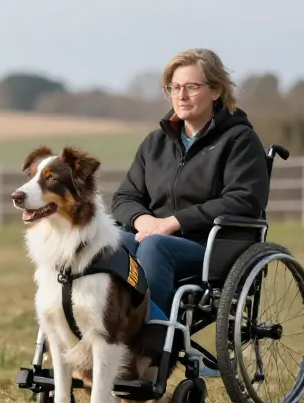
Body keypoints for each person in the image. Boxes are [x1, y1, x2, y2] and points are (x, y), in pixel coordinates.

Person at [111, 48, 270, 316]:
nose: (181, 96)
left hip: (212, 249)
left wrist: (172, 223)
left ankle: (154, 338)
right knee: (110, 244)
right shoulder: (155, 144)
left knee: (154, 246)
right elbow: (125, 197)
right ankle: (108, 336)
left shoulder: (239, 141)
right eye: (174, 87)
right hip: (153, 237)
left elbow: (243, 200)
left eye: (192, 87)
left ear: (216, 90)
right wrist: (144, 221)